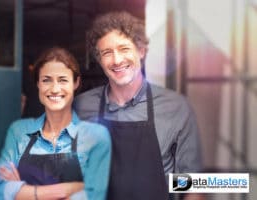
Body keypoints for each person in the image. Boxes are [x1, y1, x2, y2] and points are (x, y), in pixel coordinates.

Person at [74, 11, 203, 200]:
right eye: (107, 53)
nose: (117, 60)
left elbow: (192, 184)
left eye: (124, 49)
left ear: (141, 51)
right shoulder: (81, 106)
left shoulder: (176, 108)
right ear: (99, 60)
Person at [0, 47, 111, 200]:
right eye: (46, 80)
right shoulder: (19, 131)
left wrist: (22, 193)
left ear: (76, 83)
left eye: (63, 80)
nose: (54, 89)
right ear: (38, 84)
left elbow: (93, 196)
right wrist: (68, 189)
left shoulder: (96, 136)